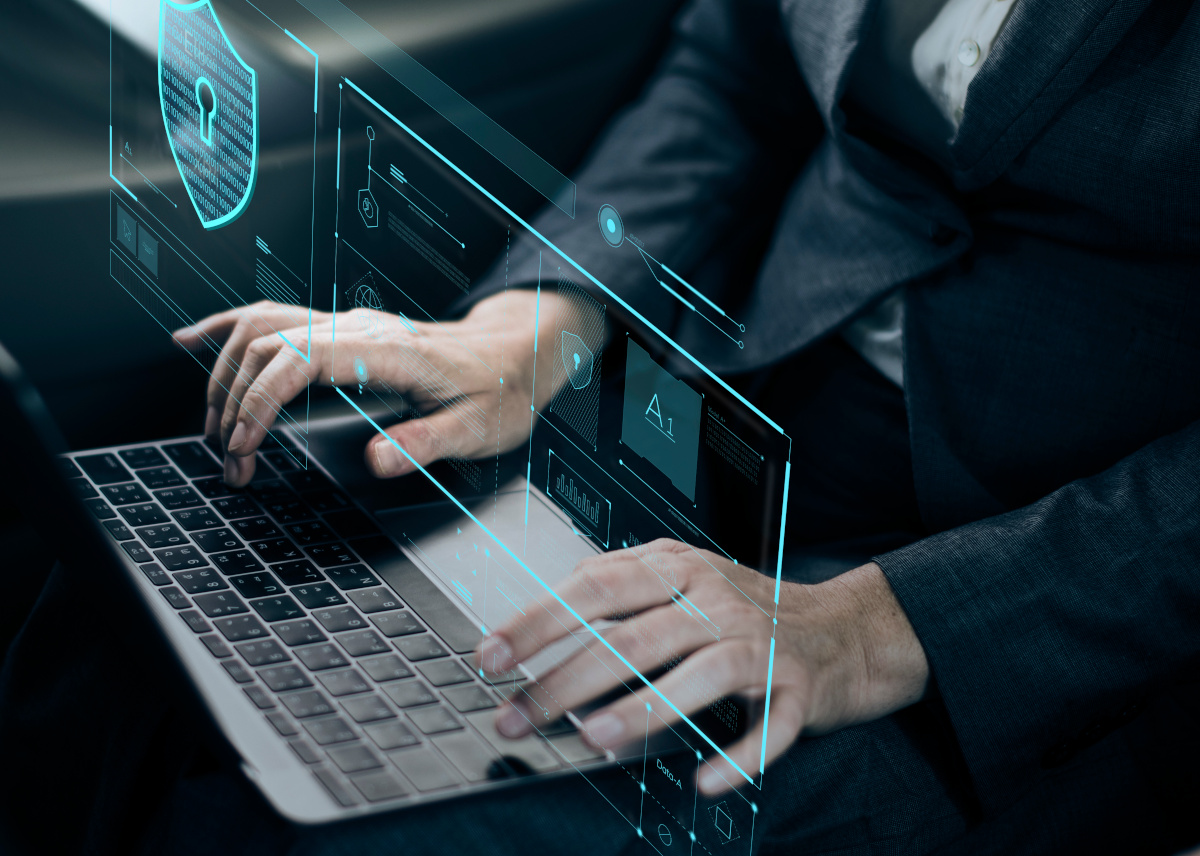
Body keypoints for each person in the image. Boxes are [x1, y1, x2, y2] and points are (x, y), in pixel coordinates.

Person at [2, 0, 1197, 853]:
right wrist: (539, 324)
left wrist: (869, 624)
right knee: (137, 613)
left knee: (335, 819)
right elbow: (739, 70)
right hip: (729, 397)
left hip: (1011, 584)